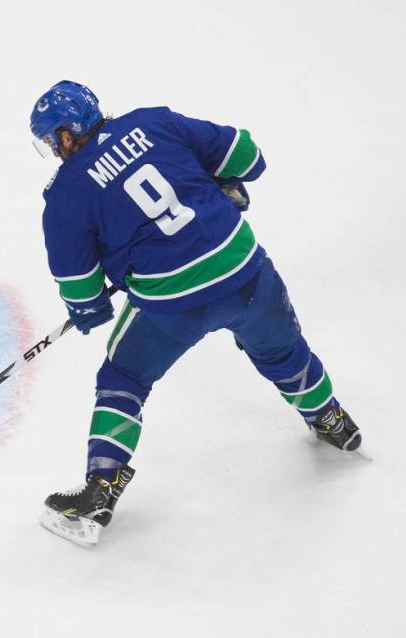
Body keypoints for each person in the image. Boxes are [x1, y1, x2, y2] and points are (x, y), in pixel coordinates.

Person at [29, 81, 362, 548]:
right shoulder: (154, 121)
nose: (53, 150)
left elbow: (81, 288)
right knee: (283, 350)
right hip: (245, 274)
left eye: (51, 141)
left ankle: (100, 490)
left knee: (122, 378)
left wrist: (89, 308)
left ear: (66, 135)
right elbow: (248, 156)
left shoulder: (65, 193)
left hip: (171, 306)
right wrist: (219, 180)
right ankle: (331, 419)